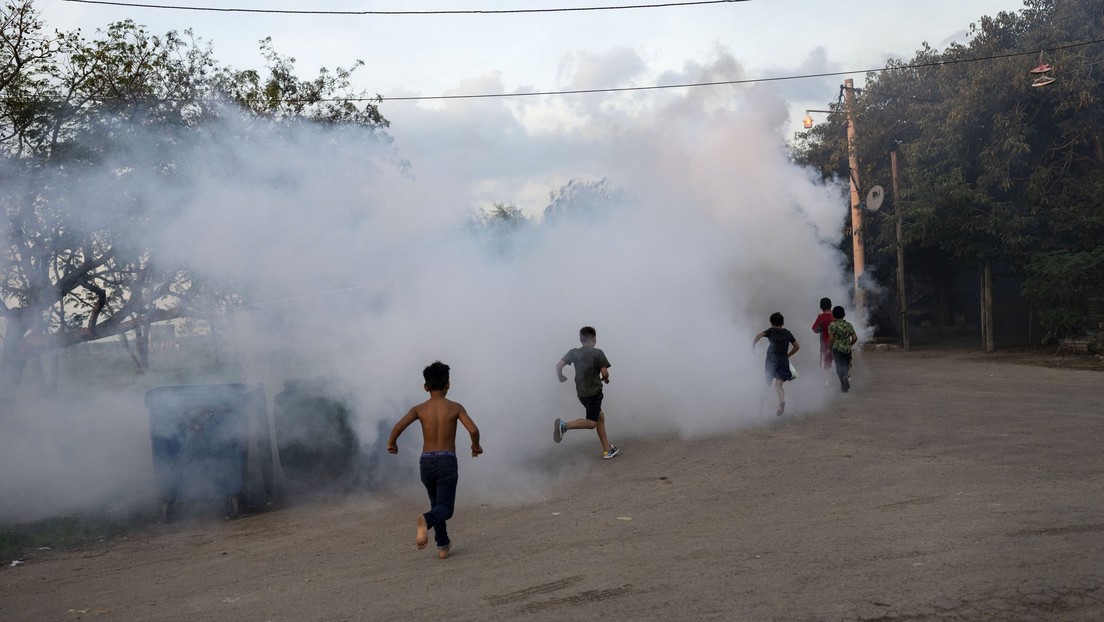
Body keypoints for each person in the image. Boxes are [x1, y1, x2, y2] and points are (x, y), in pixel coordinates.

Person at [387, 361, 482, 560]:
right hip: (447, 461)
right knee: (445, 508)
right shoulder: (455, 407)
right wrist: (475, 446)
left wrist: (392, 443)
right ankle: (426, 520)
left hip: (426, 462)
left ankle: (442, 543)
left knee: (436, 503)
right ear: (448, 384)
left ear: (425, 387)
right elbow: (473, 429)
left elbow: (398, 426)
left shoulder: (418, 409)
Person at [554, 326, 619, 459]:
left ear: (581, 339)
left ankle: (607, 450)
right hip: (594, 393)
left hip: (581, 393)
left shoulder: (573, 352)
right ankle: (564, 426)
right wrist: (606, 379)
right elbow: (605, 372)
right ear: (594, 339)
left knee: (599, 416)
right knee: (591, 423)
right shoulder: (598, 353)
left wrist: (560, 376)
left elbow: (558, 366)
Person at [753, 312, 800, 416]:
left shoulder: (770, 331)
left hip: (771, 362)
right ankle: (781, 402)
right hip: (783, 361)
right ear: (782, 323)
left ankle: (760, 410)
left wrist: (753, 345)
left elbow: (759, 335)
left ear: (771, 323)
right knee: (778, 386)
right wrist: (788, 355)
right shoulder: (787, 332)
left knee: (766, 385)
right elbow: (797, 346)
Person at [829, 306, 858, 392]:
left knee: (839, 366)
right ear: (844, 314)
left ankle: (842, 382)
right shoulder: (848, 325)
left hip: (837, 349)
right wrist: (850, 344)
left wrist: (830, 348)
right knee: (846, 365)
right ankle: (845, 377)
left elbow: (831, 339)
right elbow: (855, 338)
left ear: (833, 315)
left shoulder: (832, 325)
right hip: (847, 349)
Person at [811, 297, 835, 387]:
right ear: (830, 305)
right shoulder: (835, 315)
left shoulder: (821, 317)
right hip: (837, 344)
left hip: (825, 345)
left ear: (821, 306)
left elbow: (814, 329)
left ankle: (826, 381)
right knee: (837, 361)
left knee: (823, 364)